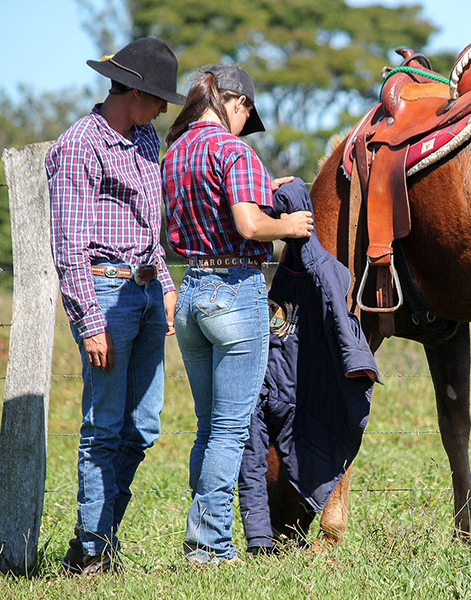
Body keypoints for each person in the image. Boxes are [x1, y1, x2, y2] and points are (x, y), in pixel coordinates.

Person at [161, 64, 313, 564]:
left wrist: (263, 187)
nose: (245, 123)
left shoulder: (175, 152)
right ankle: (209, 546)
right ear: (237, 102)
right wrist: (287, 223)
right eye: (246, 113)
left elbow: (210, 208)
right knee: (231, 428)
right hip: (235, 291)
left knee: (208, 426)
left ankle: (203, 533)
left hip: (192, 293)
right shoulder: (234, 150)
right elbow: (248, 225)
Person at [46, 37, 186, 574]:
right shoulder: (80, 145)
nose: (162, 108)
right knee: (104, 426)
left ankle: (98, 539)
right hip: (105, 291)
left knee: (143, 427)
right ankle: (89, 549)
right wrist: (90, 321)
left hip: (149, 289)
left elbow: (151, 229)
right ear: (133, 92)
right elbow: (69, 245)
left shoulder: (147, 140)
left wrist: (167, 286)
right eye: (158, 98)